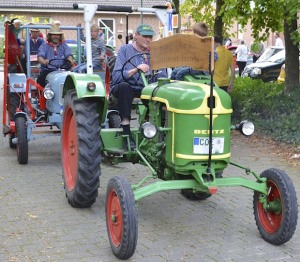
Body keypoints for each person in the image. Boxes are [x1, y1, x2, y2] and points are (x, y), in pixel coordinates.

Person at [110, 24, 167, 150]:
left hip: (146, 88)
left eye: (150, 37)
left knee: (163, 91)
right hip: (127, 87)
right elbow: (117, 77)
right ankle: (125, 130)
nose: (148, 40)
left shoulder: (155, 52)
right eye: (145, 36)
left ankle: (159, 130)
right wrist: (136, 70)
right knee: (124, 87)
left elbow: (162, 75)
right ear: (136, 36)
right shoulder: (125, 50)